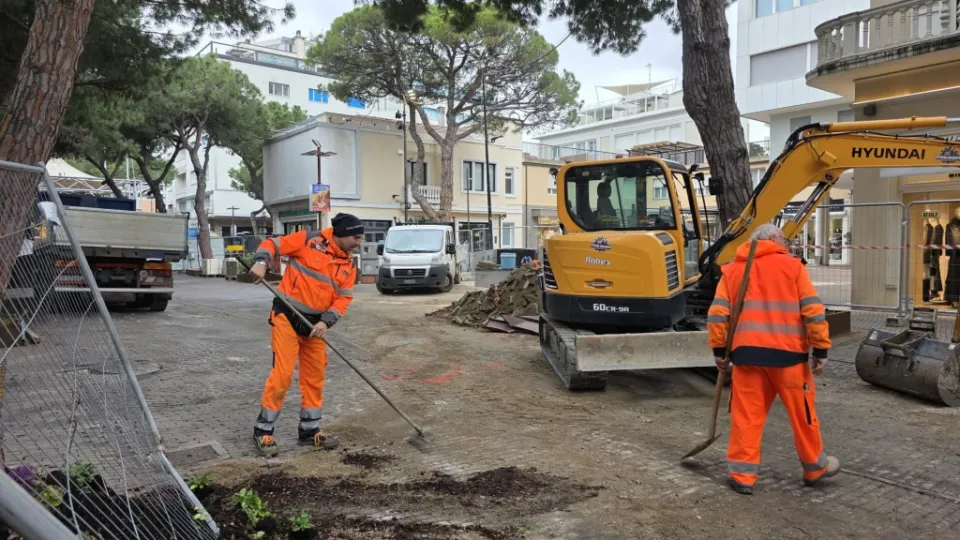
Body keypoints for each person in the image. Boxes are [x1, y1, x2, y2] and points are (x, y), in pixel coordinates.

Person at [706, 223, 840, 495]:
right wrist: (820, 349)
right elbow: (813, 310)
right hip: (789, 359)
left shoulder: (733, 270)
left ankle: (742, 476)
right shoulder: (792, 267)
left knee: (746, 417)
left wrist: (719, 351)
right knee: (803, 416)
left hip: (747, 359)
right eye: (784, 239)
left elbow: (718, 314)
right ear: (772, 239)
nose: (786, 244)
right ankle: (814, 469)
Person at [248, 213, 364, 457]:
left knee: (315, 376)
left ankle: (309, 432)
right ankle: (263, 431)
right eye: (355, 237)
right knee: (282, 374)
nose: (359, 242)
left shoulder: (349, 265)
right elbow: (272, 244)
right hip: (287, 317)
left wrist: (325, 322)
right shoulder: (308, 240)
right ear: (342, 234)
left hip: (314, 326)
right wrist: (260, 262)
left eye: (360, 237)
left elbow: (343, 298)